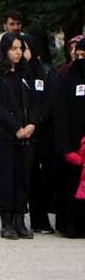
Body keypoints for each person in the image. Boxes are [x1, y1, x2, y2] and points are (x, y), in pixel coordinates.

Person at [0, 33, 38, 239]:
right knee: (6, 179)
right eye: (14, 48)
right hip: (4, 137)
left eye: (20, 48)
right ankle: (6, 221)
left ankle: (20, 219)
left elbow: (33, 102)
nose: (18, 52)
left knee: (23, 178)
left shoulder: (26, 74)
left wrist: (32, 123)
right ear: (5, 50)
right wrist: (16, 128)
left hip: (26, 136)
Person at [24, 35, 58, 233]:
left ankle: (47, 217)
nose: (21, 52)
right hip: (26, 132)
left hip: (45, 132)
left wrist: (36, 121)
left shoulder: (46, 72)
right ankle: (37, 219)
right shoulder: (19, 72)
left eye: (25, 48)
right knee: (31, 177)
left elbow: (50, 100)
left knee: (47, 177)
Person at [54, 38, 85, 238]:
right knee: (70, 185)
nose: (81, 60)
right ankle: (69, 225)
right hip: (73, 145)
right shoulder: (66, 78)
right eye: (78, 56)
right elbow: (61, 115)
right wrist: (65, 148)